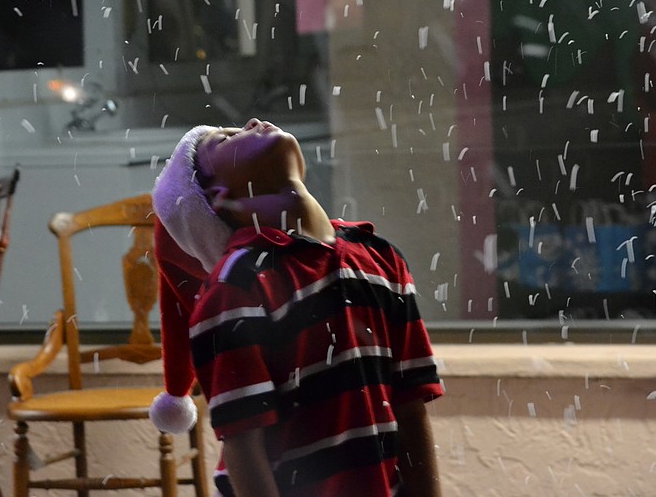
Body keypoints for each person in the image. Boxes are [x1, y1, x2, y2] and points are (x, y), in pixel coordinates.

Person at [150, 119, 443, 497]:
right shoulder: (236, 287)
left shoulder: (382, 257)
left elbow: (410, 408)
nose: (251, 123)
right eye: (225, 139)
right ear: (220, 198)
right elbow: (243, 446)